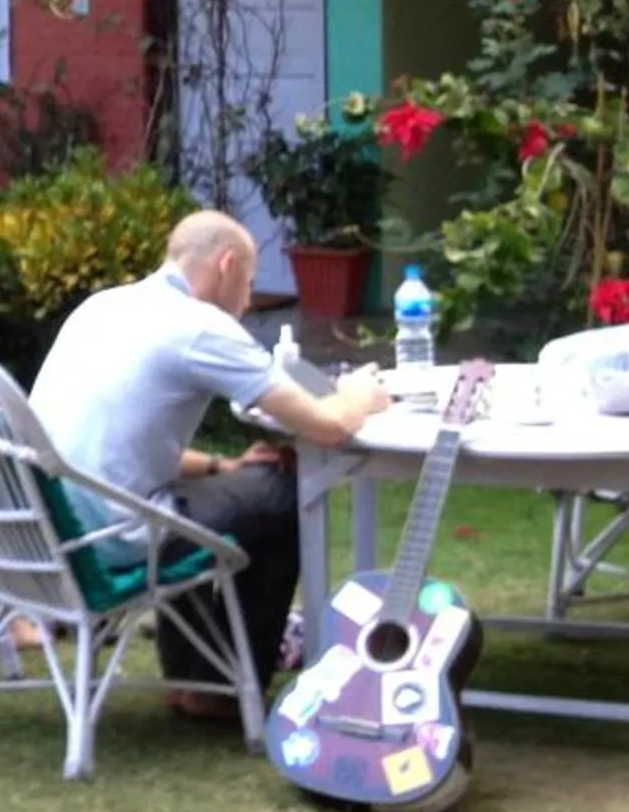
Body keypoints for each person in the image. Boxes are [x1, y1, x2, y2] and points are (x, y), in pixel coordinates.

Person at [27, 209, 390, 718]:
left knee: (216, 496)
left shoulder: (102, 306)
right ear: (226, 264)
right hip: (112, 537)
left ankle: (190, 679)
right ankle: (224, 687)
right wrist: (361, 394)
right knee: (281, 496)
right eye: (249, 281)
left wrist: (222, 466)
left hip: (50, 528)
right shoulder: (200, 327)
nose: (247, 300)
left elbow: (118, 448)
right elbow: (328, 426)